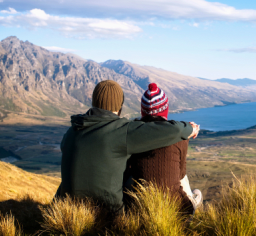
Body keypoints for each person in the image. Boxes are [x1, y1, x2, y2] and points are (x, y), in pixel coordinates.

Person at [55, 80, 199, 212]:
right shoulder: (120, 131)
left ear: (94, 102)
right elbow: (173, 130)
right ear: (119, 106)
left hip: (68, 210)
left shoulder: (72, 131)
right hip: (107, 217)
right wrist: (190, 128)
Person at [124, 83, 203, 215]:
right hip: (178, 211)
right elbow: (181, 174)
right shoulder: (180, 136)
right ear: (165, 109)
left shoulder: (133, 134)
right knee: (181, 175)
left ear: (143, 111)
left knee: (131, 174)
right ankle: (192, 204)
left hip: (141, 209)